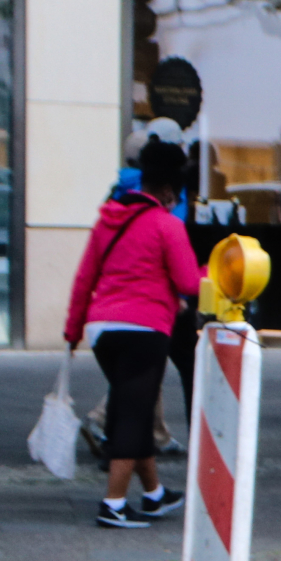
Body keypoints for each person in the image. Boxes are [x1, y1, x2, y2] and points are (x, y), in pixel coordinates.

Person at [64, 139, 199, 529]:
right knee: (131, 416)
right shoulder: (167, 225)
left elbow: (84, 278)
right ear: (171, 189)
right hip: (146, 329)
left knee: (131, 409)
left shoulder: (108, 219)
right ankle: (114, 504)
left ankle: (154, 495)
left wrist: (73, 331)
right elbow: (188, 281)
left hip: (102, 331)